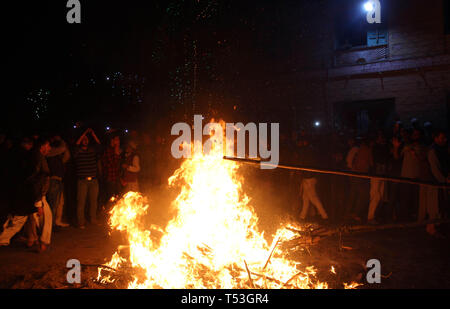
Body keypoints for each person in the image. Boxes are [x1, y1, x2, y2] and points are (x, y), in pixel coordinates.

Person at [0, 138, 53, 252]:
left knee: (27, 219)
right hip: (34, 195)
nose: (49, 148)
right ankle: (43, 242)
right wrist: (38, 202)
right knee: (44, 218)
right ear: (42, 146)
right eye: (48, 145)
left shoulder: (33, 156)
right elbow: (37, 180)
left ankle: (32, 239)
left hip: (28, 195)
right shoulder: (37, 158)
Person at [422, 130, 449, 236]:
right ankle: (431, 228)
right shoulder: (433, 151)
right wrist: (443, 181)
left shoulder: (443, 149)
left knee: (441, 205)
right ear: (436, 138)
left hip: (442, 183)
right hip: (435, 183)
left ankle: (438, 227)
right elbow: (435, 169)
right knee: (434, 206)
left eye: (445, 137)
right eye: (442, 138)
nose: (444, 140)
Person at [73, 128, 101, 229]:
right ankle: (81, 222)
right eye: (83, 139)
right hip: (82, 181)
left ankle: (93, 219)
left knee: (93, 202)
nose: (85, 140)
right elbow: (76, 145)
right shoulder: (77, 151)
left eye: (86, 139)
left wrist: (92, 134)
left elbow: (99, 145)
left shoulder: (92, 150)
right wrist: (84, 133)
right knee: (81, 202)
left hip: (93, 180)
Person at [297, 137, 328, 222]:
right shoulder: (312, 150)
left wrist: (303, 173)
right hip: (309, 177)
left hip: (309, 178)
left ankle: (324, 216)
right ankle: (302, 216)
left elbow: (304, 163)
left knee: (313, 198)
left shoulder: (307, 152)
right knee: (305, 198)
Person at [46, 135, 70, 227]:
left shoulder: (58, 156)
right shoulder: (50, 153)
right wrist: (61, 140)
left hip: (59, 180)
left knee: (60, 203)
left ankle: (56, 221)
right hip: (53, 180)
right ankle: (51, 225)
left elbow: (67, 155)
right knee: (53, 204)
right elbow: (62, 148)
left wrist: (63, 144)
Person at [368, 132, 390, 224]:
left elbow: (386, 159)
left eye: (383, 137)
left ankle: (375, 216)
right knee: (375, 195)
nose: (382, 139)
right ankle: (370, 217)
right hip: (376, 173)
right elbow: (374, 160)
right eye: (380, 138)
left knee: (380, 195)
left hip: (382, 173)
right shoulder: (375, 148)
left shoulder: (385, 147)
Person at [101, 134, 121, 206]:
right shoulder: (108, 150)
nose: (118, 141)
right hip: (110, 178)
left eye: (118, 140)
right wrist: (116, 150)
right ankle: (109, 215)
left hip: (116, 178)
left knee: (118, 198)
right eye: (116, 139)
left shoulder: (117, 150)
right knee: (110, 199)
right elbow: (113, 163)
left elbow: (119, 165)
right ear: (112, 141)